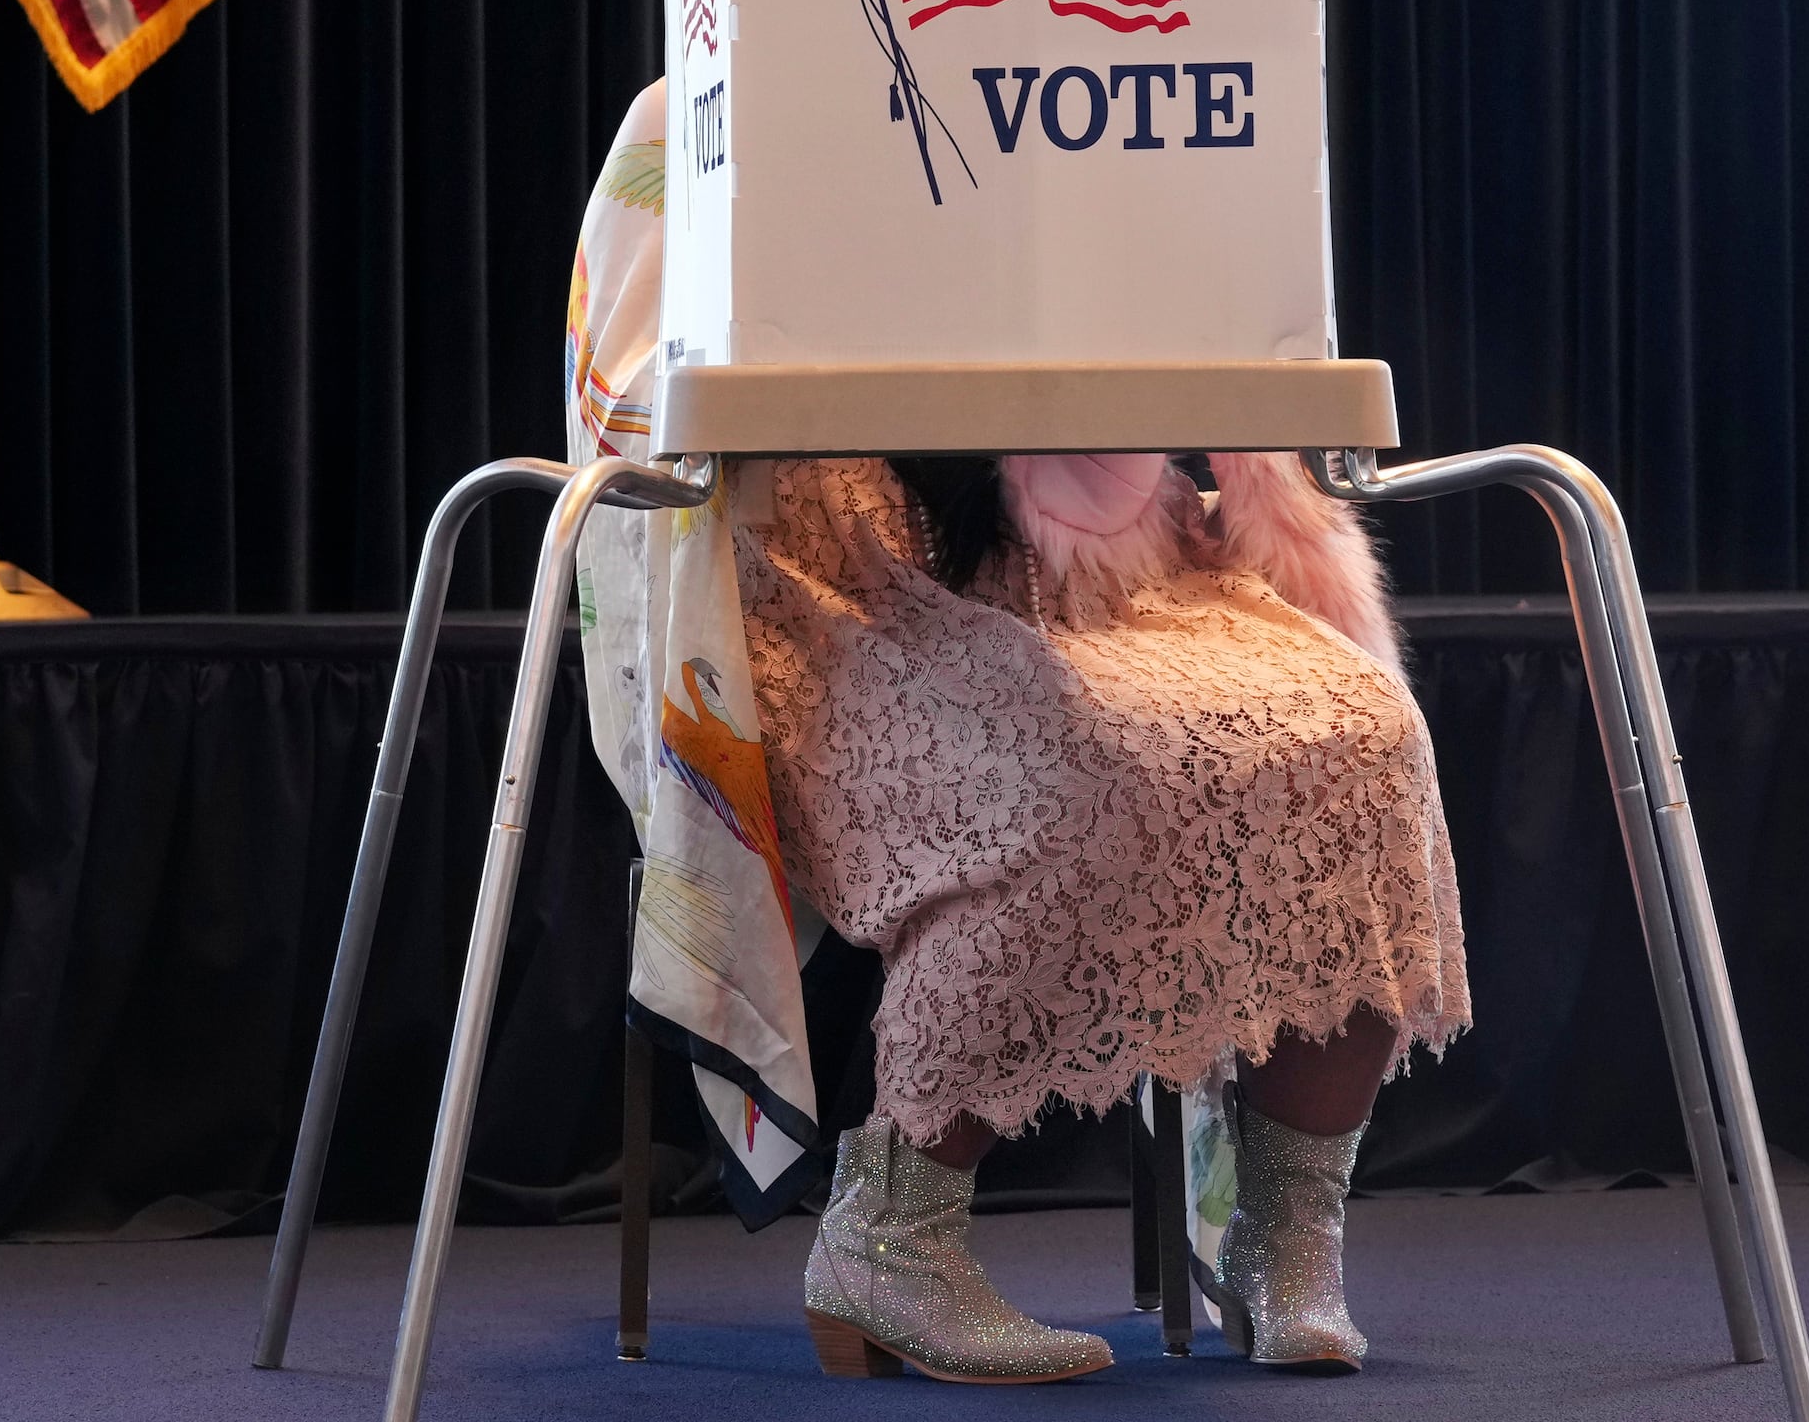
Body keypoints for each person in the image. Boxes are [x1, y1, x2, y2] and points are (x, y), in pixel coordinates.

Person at [569, 82, 1470, 1384]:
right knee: (1080, 774)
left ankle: (1283, 1233)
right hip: (828, 569)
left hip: (1113, 574)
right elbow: (635, 369)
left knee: (1359, 731)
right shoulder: (711, 90)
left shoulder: (1083, 76)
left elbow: (1211, 293)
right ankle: (891, 1234)